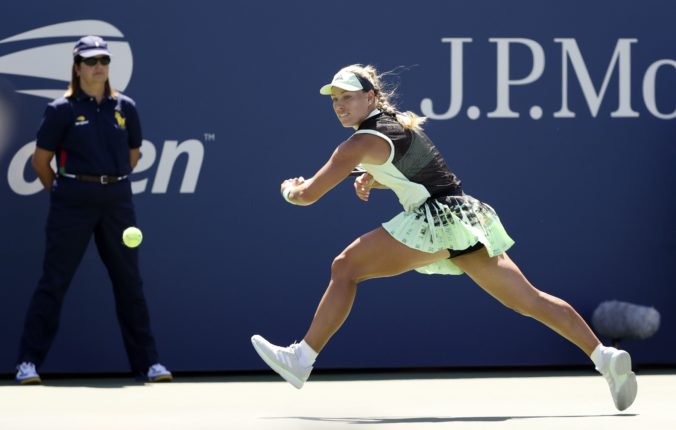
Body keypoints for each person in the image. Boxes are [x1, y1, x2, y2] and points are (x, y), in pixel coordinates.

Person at [251, 64, 637, 411]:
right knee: (530, 300)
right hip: (464, 219)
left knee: (346, 267)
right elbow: (424, 173)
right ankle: (604, 356)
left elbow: (309, 195)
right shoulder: (395, 124)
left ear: (370, 97)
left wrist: (290, 189)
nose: (339, 106)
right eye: (335, 100)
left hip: (435, 222)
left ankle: (301, 359)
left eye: (347, 98)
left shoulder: (358, 143)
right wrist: (377, 177)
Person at [14, 36, 172, 384]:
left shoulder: (124, 107)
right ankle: (28, 363)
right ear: (77, 67)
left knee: (129, 284)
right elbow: (41, 161)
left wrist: (108, 178)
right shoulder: (61, 110)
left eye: (103, 59)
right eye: (90, 61)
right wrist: (62, 190)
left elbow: (133, 155)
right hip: (72, 199)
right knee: (54, 283)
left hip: (117, 199)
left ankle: (148, 364)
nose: (98, 66)